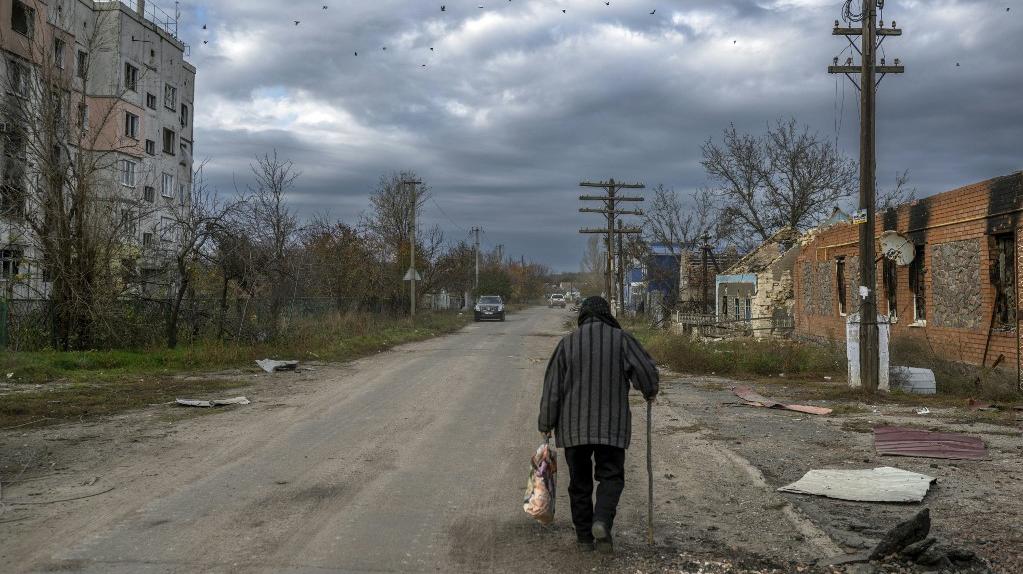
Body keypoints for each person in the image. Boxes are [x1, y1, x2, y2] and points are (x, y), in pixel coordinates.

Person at [538, 296, 659, 554]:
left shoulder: (566, 344)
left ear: (582, 316)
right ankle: (601, 521)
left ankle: (584, 538)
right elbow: (647, 372)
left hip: (573, 429)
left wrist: (546, 423)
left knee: (579, 483)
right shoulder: (621, 340)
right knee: (611, 477)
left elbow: (552, 389)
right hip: (611, 428)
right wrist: (649, 390)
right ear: (607, 315)